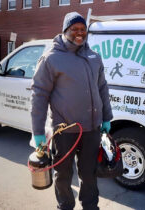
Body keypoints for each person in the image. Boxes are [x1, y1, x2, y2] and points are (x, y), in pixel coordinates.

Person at [31, 12, 113, 210]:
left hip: (91, 129)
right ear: (65, 30)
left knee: (89, 173)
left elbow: (102, 87)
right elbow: (39, 96)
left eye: (83, 30)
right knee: (63, 174)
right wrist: (38, 133)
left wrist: (107, 118)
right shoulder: (51, 58)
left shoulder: (94, 57)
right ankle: (65, 206)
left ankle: (90, 206)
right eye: (74, 29)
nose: (79, 33)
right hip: (64, 130)